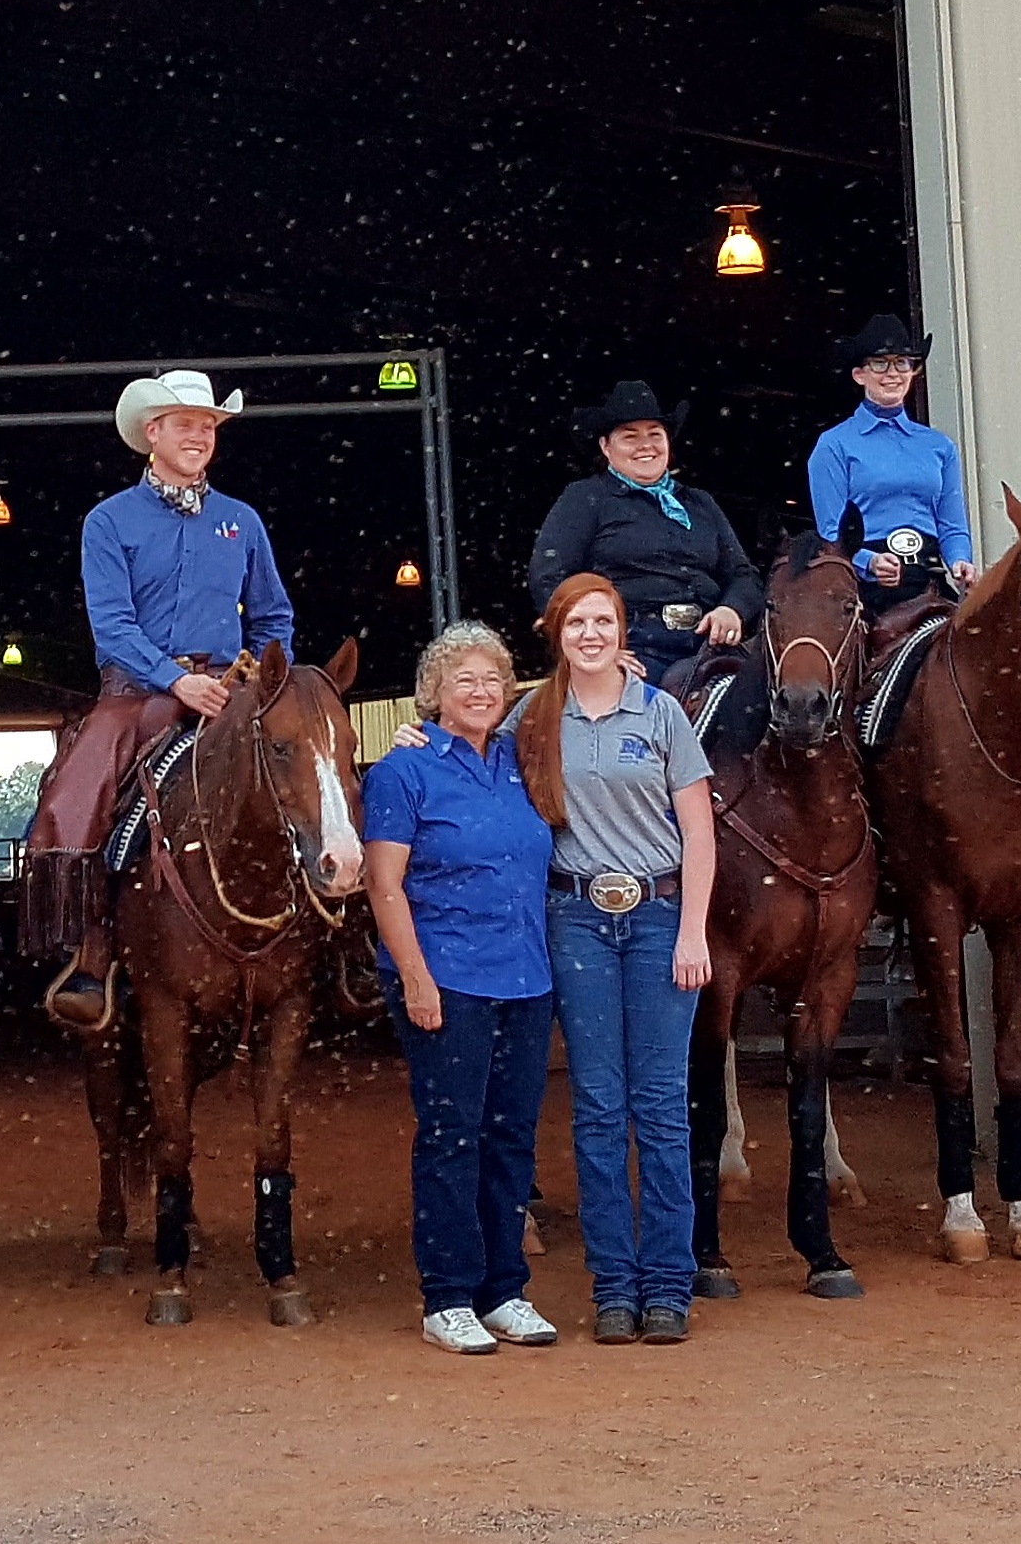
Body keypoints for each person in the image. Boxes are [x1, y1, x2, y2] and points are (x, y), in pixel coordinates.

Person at [24, 370, 297, 1033]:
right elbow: (112, 626)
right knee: (78, 787)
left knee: (307, 773)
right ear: (153, 433)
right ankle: (92, 953)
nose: (201, 435)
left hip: (230, 692)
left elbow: (273, 616)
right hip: (136, 691)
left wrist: (255, 678)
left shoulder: (243, 521)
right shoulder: (108, 520)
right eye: (186, 424)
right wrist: (174, 682)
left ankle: (330, 927)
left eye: (208, 426)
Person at [516, 575, 718, 1345]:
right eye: (577, 622)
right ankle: (613, 1285)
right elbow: (467, 755)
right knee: (599, 1109)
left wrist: (692, 930)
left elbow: (697, 831)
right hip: (576, 919)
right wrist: (415, 736)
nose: (591, 634)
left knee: (661, 1107)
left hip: (659, 912)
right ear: (556, 631)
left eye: (603, 621)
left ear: (620, 629)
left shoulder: (660, 712)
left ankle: (667, 1284)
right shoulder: (533, 719)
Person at [360, 623, 557, 1355]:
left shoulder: (521, 760)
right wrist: (415, 977)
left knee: (512, 1136)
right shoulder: (402, 771)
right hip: (445, 977)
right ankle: (446, 1296)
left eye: (491, 680)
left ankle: (503, 1288)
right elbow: (383, 885)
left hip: (525, 978)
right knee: (451, 1136)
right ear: (432, 695)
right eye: (462, 680)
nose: (479, 691)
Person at [524, 381, 762, 682]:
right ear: (605, 447)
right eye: (630, 436)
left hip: (709, 648)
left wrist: (732, 610)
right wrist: (597, 646)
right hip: (632, 648)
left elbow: (743, 574)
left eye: (655, 434)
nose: (645, 445)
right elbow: (549, 576)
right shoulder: (585, 498)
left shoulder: (701, 503)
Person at [804, 315, 975, 608]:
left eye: (902, 363)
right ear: (859, 374)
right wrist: (869, 563)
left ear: (913, 371)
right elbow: (829, 534)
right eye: (880, 363)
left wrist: (960, 561)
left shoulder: (939, 446)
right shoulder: (834, 445)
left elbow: (952, 524)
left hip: (928, 582)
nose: (892, 373)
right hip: (865, 586)